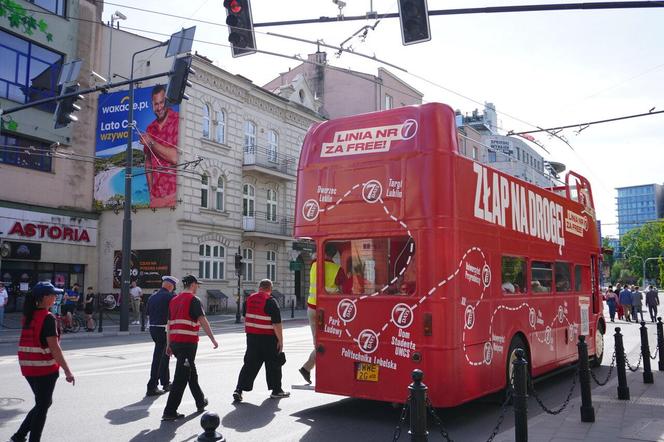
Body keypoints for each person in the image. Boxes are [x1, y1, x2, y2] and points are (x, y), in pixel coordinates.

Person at [11, 282, 74, 442]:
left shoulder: (28, 315)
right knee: (42, 406)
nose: (55, 297)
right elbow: (55, 348)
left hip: (28, 367)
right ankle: (29, 438)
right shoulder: (47, 318)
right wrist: (67, 370)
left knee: (43, 403)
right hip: (44, 369)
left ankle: (19, 436)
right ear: (45, 297)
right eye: (53, 294)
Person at [162, 275, 218, 421]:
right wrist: (213, 339)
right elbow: (203, 321)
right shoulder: (194, 300)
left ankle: (200, 401)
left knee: (190, 373)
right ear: (193, 285)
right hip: (187, 343)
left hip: (175, 342)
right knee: (181, 378)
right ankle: (169, 411)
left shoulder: (173, 300)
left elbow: (169, 324)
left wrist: (168, 344)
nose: (198, 287)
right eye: (197, 285)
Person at [233, 279, 290, 402]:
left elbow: (245, 316)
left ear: (259, 287)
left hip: (252, 338)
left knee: (249, 364)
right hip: (268, 338)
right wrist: (280, 341)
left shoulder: (248, 300)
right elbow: (277, 324)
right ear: (270, 288)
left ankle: (239, 389)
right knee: (273, 364)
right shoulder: (271, 301)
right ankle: (276, 391)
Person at [299, 244, 347, 385]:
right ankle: (307, 368)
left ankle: (307, 368)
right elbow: (343, 290)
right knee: (326, 342)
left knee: (318, 341)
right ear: (333, 255)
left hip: (312, 308)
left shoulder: (314, 264)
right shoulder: (337, 269)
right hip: (327, 310)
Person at [139, 84, 179, 208]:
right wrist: (151, 191)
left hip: (174, 195)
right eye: (156, 104)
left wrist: (151, 142)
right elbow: (148, 162)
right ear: (152, 104)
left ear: (167, 101)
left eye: (162, 103)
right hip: (156, 197)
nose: (159, 107)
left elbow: (175, 157)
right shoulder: (150, 128)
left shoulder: (178, 120)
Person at [146, 276, 177, 396]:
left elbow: (148, 312)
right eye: (173, 286)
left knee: (164, 356)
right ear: (170, 286)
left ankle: (165, 382)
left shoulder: (152, 296)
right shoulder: (171, 297)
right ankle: (152, 386)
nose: (173, 289)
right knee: (159, 358)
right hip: (163, 329)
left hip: (153, 328)